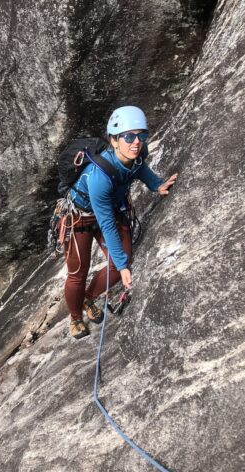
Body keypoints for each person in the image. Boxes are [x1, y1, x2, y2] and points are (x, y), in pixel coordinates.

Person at [64, 106, 179, 339]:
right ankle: (75, 317)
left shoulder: (136, 153)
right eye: (128, 137)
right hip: (81, 217)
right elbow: (106, 223)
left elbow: (139, 169)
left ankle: (88, 298)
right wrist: (124, 267)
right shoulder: (99, 176)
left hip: (108, 208)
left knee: (121, 263)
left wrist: (156, 184)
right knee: (78, 271)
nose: (136, 142)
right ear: (114, 140)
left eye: (141, 135)